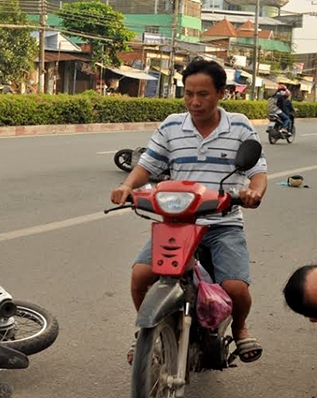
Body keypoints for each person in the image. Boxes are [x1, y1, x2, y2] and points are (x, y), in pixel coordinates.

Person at [110, 59, 268, 364]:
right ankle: (147, 330)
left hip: (223, 222)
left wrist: (253, 193)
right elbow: (147, 166)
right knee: (140, 275)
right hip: (178, 222)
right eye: (188, 94)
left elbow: (257, 173)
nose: (194, 102)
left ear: (222, 93)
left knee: (235, 287)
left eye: (203, 94)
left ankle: (240, 327)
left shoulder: (239, 125)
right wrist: (128, 186)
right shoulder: (172, 125)